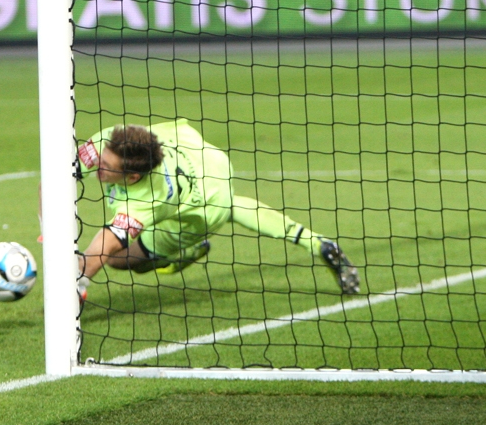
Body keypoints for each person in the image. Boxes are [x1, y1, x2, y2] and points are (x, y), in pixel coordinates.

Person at [72, 120, 360, 304]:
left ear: (133, 178)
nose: (98, 166)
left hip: (205, 208)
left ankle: (185, 251)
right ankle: (319, 243)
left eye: (106, 167)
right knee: (232, 203)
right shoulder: (113, 141)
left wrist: (76, 283)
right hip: (205, 156)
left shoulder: (148, 202)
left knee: (122, 261)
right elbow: (53, 178)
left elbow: (103, 248)